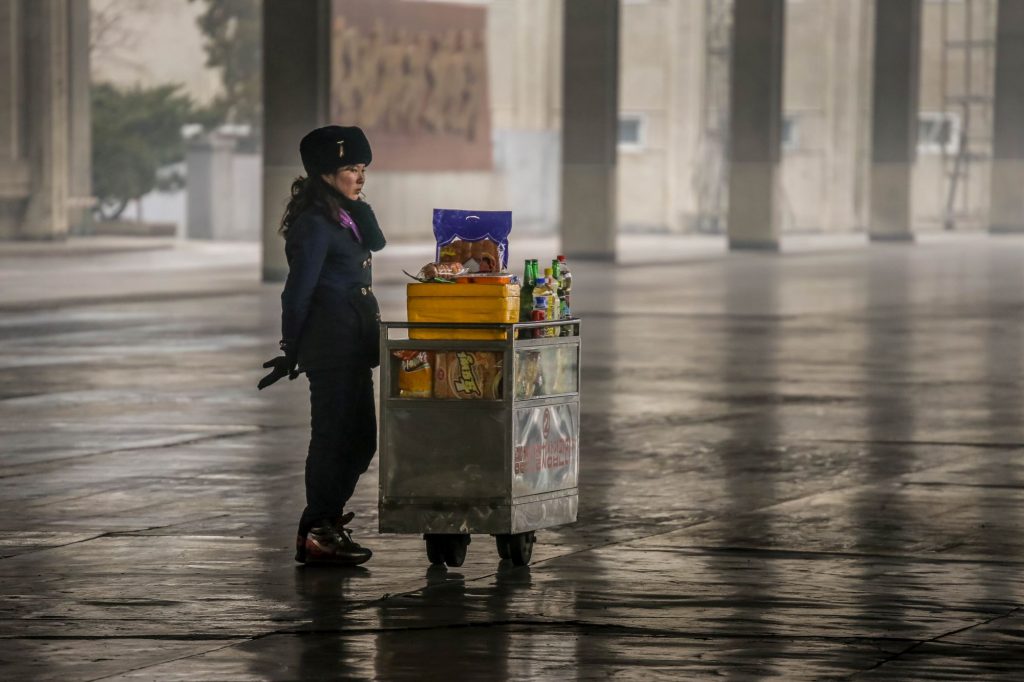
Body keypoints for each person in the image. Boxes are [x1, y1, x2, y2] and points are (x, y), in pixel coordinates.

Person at [257, 125, 386, 565]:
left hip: (353, 346)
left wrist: (358, 205)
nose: (360, 177)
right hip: (331, 348)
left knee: (361, 441)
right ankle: (319, 530)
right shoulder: (314, 224)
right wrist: (291, 348)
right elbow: (297, 292)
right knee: (334, 440)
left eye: (363, 168)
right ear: (326, 173)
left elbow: (376, 241)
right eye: (351, 168)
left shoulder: (342, 216)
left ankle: (322, 523)